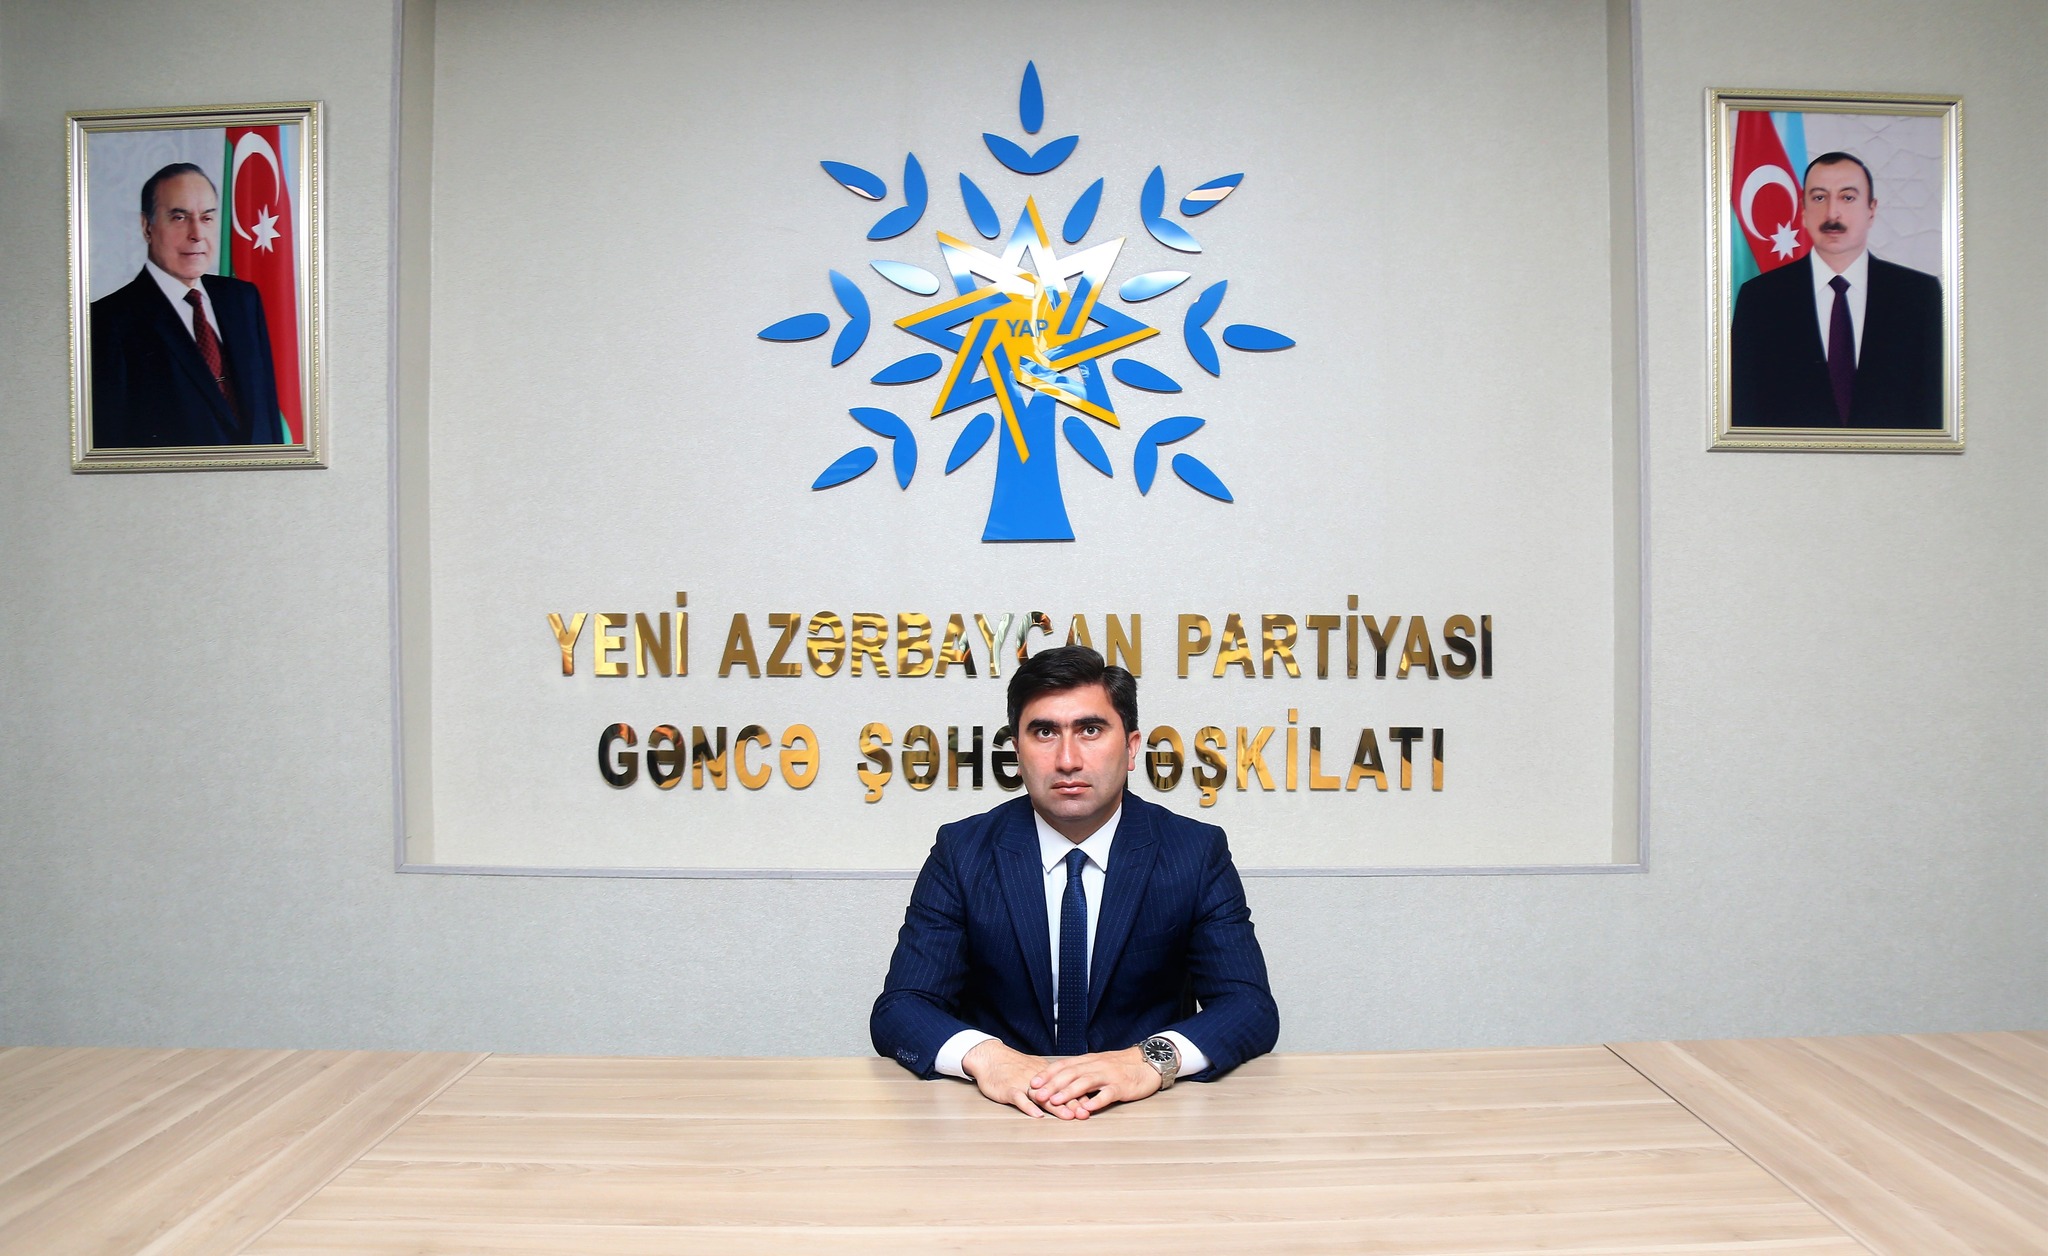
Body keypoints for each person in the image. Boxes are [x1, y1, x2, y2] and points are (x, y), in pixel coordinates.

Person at [871, 645, 1279, 1119]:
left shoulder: (1194, 851)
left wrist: (1147, 1061)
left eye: (1090, 730)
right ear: (1017, 751)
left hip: (1147, 1116)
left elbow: (1248, 1006)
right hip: (1003, 1116)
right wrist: (987, 1057)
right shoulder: (962, 852)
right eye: (1044, 732)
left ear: (1131, 747)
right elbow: (901, 1007)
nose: (1067, 759)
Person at [1730, 151, 1943, 429]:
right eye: (1819, 198)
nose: (1832, 213)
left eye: (1848, 197)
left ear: (1871, 210)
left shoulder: (1919, 296)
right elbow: (1742, 411)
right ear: (1803, 211)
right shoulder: (1759, 299)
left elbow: (1934, 407)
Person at [89, 162, 285, 448]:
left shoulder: (243, 299)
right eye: (179, 218)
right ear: (147, 227)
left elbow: (267, 414)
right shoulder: (108, 321)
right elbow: (112, 449)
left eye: (207, 218)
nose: (196, 233)